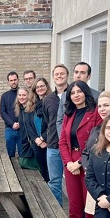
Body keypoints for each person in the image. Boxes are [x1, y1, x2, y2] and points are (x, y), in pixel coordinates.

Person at [59, 80, 102, 218]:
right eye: (72, 92)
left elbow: (98, 141)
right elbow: (63, 141)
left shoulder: (95, 113)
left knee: (89, 205)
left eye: (79, 91)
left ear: (86, 92)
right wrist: (69, 163)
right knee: (74, 204)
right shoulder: (69, 114)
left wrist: (79, 163)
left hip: (88, 163)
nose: (76, 95)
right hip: (71, 164)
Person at [43, 64, 69, 205]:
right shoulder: (48, 99)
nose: (59, 76)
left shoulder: (74, 95)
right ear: (53, 78)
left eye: (62, 73)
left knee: (72, 183)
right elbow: (48, 121)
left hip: (71, 147)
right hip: (53, 145)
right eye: (56, 74)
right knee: (54, 181)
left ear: (67, 75)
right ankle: (58, 211)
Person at [14, 86, 39, 171]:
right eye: (19, 95)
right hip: (24, 141)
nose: (21, 97)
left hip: (33, 143)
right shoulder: (20, 109)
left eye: (24, 95)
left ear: (29, 96)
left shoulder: (32, 109)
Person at [32, 77, 51, 181]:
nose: (40, 88)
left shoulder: (51, 101)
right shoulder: (34, 104)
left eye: (42, 86)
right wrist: (37, 139)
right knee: (41, 169)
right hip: (37, 142)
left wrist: (43, 138)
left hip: (48, 141)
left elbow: (52, 124)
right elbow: (30, 124)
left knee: (49, 170)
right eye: (37, 87)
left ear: (46, 87)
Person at [0, 71, 21, 157]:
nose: (13, 82)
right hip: (10, 129)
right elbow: (3, 112)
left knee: (23, 153)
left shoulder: (23, 94)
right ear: (8, 82)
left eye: (15, 80)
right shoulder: (5, 96)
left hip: (22, 128)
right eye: (11, 80)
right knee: (10, 153)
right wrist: (12, 124)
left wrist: (20, 123)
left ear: (18, 80)